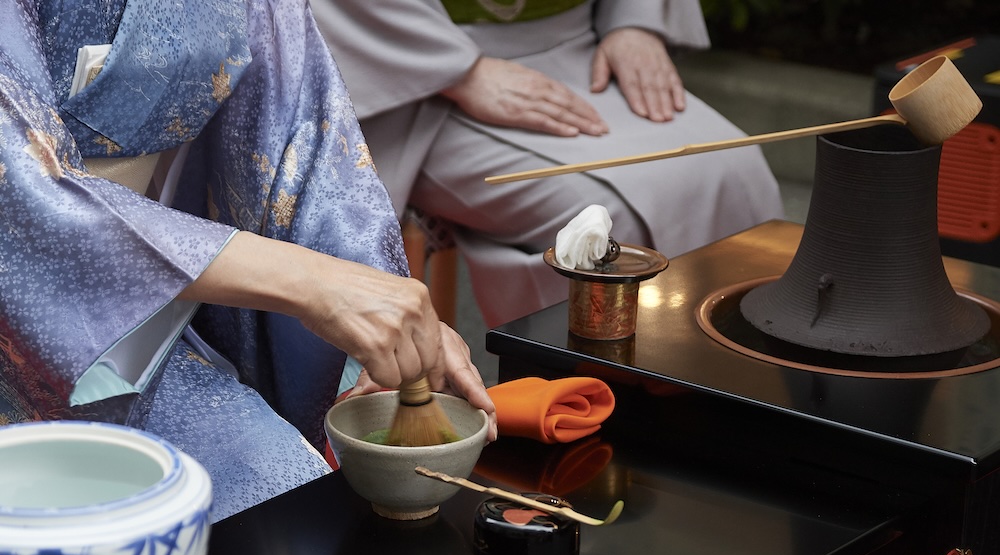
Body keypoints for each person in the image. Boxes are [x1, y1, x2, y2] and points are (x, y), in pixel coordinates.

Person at [0, 0, 496, 521]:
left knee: (284, 500)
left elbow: (300, 138)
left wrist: (384, 305)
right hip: (29, 321)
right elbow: (19, 193)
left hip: (136, 306)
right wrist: (315, 283)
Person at [312, 0, 786, 327]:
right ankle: (583, 407)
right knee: (597, 221)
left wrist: (634, 21)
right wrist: (461, 71)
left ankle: (720, 394)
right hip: (412, 69)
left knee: (738, 168)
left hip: (586, 44)